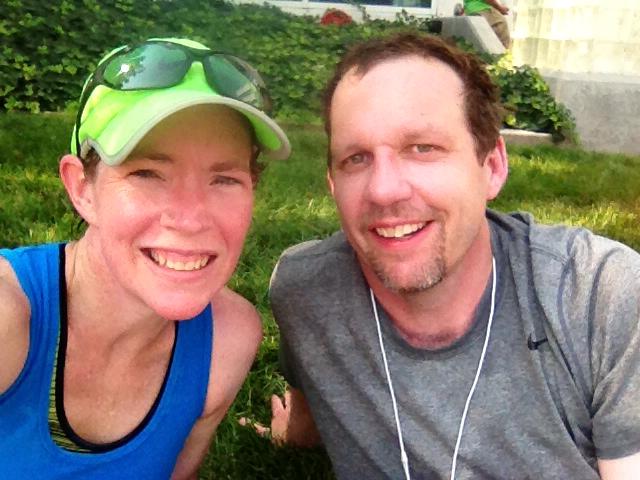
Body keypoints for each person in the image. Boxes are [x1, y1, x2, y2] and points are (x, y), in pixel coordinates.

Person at [263, 33, 640, 479]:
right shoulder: (306, 293)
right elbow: (312, 388)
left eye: (422, 149)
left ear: (492, 166)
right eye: (356, 158)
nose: (384, 190)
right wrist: (296, 433)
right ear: (332, 183)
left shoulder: (599, 298)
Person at [0, 37, 290, 479]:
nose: (190, 219)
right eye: (148, 174)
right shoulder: (8, 319)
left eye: (224, 179)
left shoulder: (227, 341)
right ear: (82, 188)